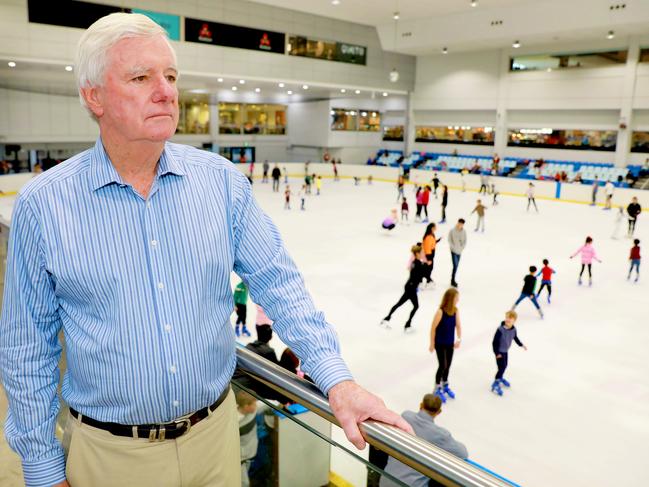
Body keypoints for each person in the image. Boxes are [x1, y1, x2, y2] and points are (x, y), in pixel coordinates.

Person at [0, 14, 412, 487]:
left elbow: (280, 287)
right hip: (110, 457)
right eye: (141, 77)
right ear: (94, 96)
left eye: (171, 77)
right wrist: (44, 471)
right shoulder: (45, 205)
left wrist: (337, 381)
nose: (166, 91)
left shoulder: (220, 184)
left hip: (216, 442)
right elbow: (26, 349)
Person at [379, 394, 468, 487]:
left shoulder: (406, 416)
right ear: (439, 412)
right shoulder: (440, 434)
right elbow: (463, 453)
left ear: (421, 405)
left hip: (386, 480)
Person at [381, 244, 427, 331]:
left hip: (410, 286)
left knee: (401, 304)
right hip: (411, 287)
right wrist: (424, 267)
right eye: (421, 252)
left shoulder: (415, 263)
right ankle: (407, 325)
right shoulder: (418, 264)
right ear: (417, 254)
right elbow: (419, 275)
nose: (423, 254)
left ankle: (387, 318)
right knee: (415, 306)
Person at [428, 288, 462, 403]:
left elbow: (458, 326)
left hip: (450, 343)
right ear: (450, 298)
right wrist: (432, 344)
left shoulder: (456, 311)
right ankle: (436, 387)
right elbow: (433, 329)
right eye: (456, 298)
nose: (458, 300)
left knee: (448, 366)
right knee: (442, 365)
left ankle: (445, 384)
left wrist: (458, 339)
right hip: (440, 344)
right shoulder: (440, 312)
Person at [491, 311, 527, 396]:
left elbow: (515, 338)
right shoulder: (500, 330)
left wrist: (521, 345)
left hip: (505, 351)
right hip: (499, 351)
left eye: (510, 318)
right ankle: (495, 383)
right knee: (502, 367)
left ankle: (500, 378)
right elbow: (494, 342)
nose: (507, 319)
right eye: (506, 317)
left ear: (514, 320)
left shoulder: (513, 329)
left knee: (505, 365)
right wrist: (497, 353)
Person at [236, 390, 260, 487]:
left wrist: (282, 407)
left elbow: (270, 404)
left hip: (249, 454)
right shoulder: (235, 420)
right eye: (254, 404)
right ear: (246, 406)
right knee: (244, 483)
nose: (256, 405)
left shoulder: (253, 409)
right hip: (239, 459)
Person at [448, 219, 466, 287]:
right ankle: (452, 280)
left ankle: (453, 279)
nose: (460, 225)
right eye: (459, 223)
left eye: (461, 224)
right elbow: (449, 240)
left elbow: (465, 241)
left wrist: (461, 247)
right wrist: (453, 247)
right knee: (455, 265)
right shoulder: (452, 231)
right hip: (453, 251)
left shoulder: (463, 232)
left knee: (456, 266)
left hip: (459, 251)